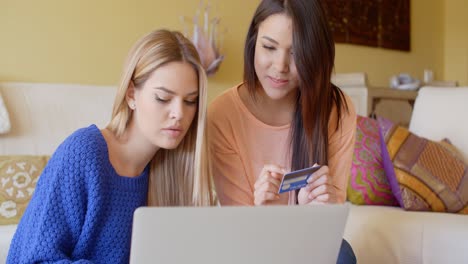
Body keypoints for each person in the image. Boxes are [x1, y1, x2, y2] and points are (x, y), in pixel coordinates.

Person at [7, 29, 215, 264]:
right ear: (131, 95)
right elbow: (34, 259)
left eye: (190, 101)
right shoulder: (84, 153)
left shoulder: (174, 172)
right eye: (163, 98)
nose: (179, 114)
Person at [207, 0, 357, 263]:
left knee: (340, 252)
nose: (280, 66)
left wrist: (323, 209)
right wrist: (267, 216)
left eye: (296, 53)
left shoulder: (337, 110)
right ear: (253, 43)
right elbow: (242, 233)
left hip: (310, 240)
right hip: (252, 244)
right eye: (269, 47)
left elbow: (328, 230)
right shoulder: (222, 115)